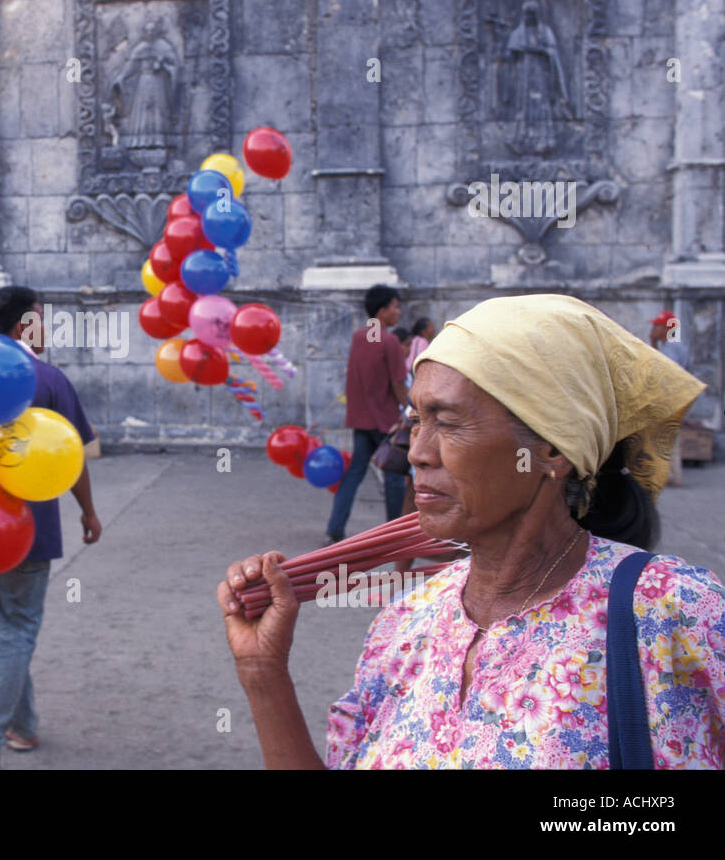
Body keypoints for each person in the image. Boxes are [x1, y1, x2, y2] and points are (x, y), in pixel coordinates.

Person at [219, 294, 724, 769]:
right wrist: (264, 675)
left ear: (552, 449)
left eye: (449, 422)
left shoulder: (676, 614)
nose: (417, 451)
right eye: (417, 419)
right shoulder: (405, 623)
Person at [0, 286, 102, 770]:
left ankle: (21, 728)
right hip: (31, 529)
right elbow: (73, 457)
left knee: (3, 633)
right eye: (42, 320)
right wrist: (88, 511)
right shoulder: (48, 379)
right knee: (19, 629)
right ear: (25, 324)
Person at [324, 284, 409, 544]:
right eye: (395, 306)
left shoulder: (360, 337)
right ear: (382, 311)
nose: (398, 311)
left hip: (361, 418)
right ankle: (394, 533)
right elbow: (397, 383)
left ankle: (335, 527)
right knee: (394, 477)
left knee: (355, 474)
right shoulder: (390, 341)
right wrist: (408, 410)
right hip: (384, 420)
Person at [649, 310, 690, 488]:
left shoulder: (671, 347)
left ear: (666, 328)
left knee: (668, 433)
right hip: (675, 396)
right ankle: (671, 474)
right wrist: (653, 342)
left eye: (657, 326)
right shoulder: (670, 345)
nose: (653, 329)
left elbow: (666, 371)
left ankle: (673, 476)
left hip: (672, 396)